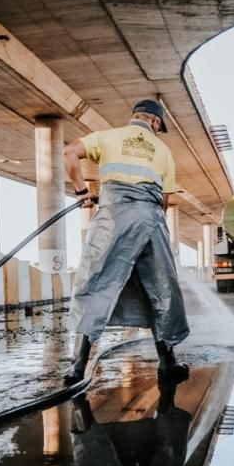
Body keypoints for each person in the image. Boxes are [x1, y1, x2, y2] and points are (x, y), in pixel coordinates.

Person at [63, 99, 190, 384]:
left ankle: (77, 368)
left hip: (112, 219)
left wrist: (83, 192)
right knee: (161, 288)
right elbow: (164, 203)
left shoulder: (108, 137)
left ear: (135, 117)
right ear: (155, 123)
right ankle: (168, 363)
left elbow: (70, 152)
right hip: (150, 221)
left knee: (95, 283)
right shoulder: (163, 150)